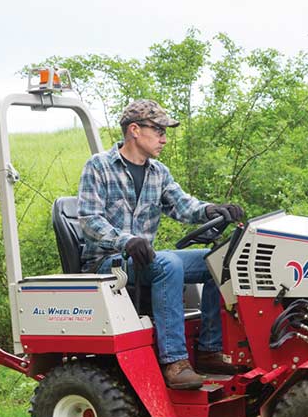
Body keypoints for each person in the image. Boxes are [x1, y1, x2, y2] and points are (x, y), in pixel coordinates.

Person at [77, 99, 245, 390]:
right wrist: (126, 241)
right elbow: (89, 219)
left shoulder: (158, 172)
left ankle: (208, 350)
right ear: (134, 131)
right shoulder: (99, 167)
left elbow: (184, 206)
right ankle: (175, 362)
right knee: (168, 264)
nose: (164, 139)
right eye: (158, 131)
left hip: (143, 259)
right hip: (108, 263)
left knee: (219, 259)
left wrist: (212, 210)